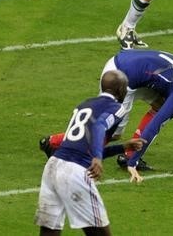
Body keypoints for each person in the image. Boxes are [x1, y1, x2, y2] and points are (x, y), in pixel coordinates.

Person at [41, 48, 173, 182]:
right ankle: (54, 142)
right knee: (111, 133)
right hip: (120, 78)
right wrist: (134, 163)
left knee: (159, 104)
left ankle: (127, 155)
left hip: (129, 68)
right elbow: (156, 124)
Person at [34, 70, 146, 236]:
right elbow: (99, 125)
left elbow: (85, 147)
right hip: (75, 172)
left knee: (49, 230)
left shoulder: (84, 104)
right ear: (121, 90)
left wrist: (122, 147)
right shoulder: (118, 109)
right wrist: (97, 157)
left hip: (53, 166)